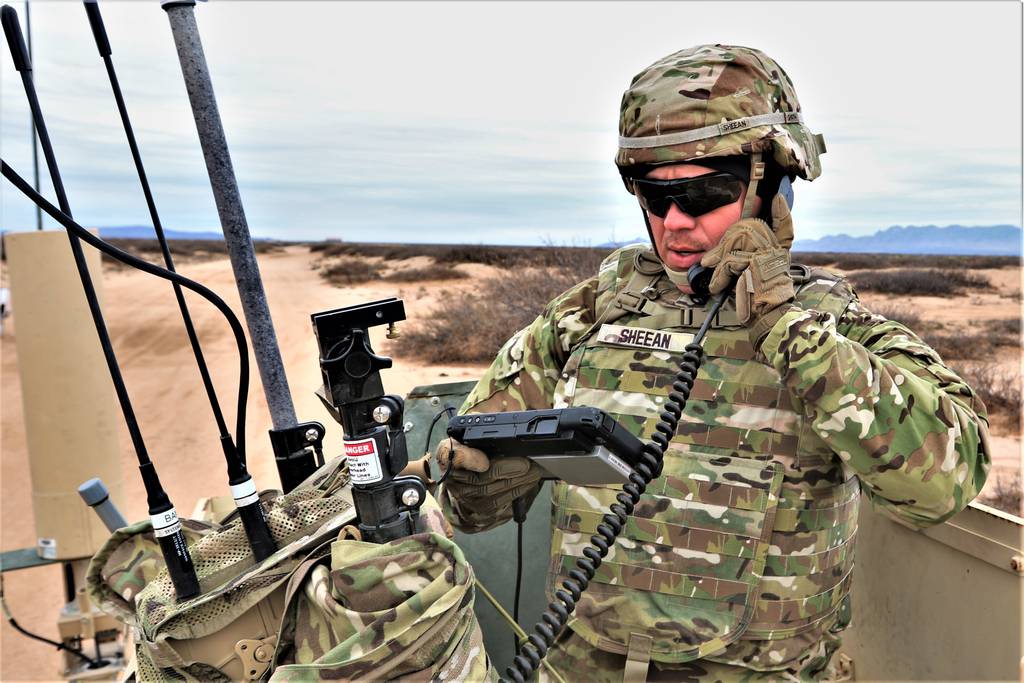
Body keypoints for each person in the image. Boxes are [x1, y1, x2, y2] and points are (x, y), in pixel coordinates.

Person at [437, 44, 991, 681]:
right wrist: (476, 487)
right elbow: (468, 499)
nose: (674, 223)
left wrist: (785, 330)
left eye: (705, 195)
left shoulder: (831, 332)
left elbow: (947, 481)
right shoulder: (585, 317)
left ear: (771, 189)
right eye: (653, 196)